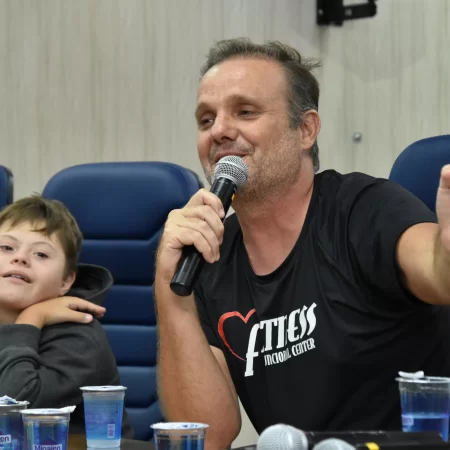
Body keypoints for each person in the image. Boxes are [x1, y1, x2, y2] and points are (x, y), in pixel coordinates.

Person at [154, 38, 450, 449]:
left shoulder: (363, 209)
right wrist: (171, 293)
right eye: (206, 120)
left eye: (245, 111)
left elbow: (437, 270)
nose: (219, 130)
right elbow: (206, 436)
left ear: (305, 129)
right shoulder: (209, 255)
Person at [0, 195, 133, 437]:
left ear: (66, 281)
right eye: (6, 248)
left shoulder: (80, 336)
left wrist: (31, 319)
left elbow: (13, 413)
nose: (20, 258)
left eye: (41, 254)